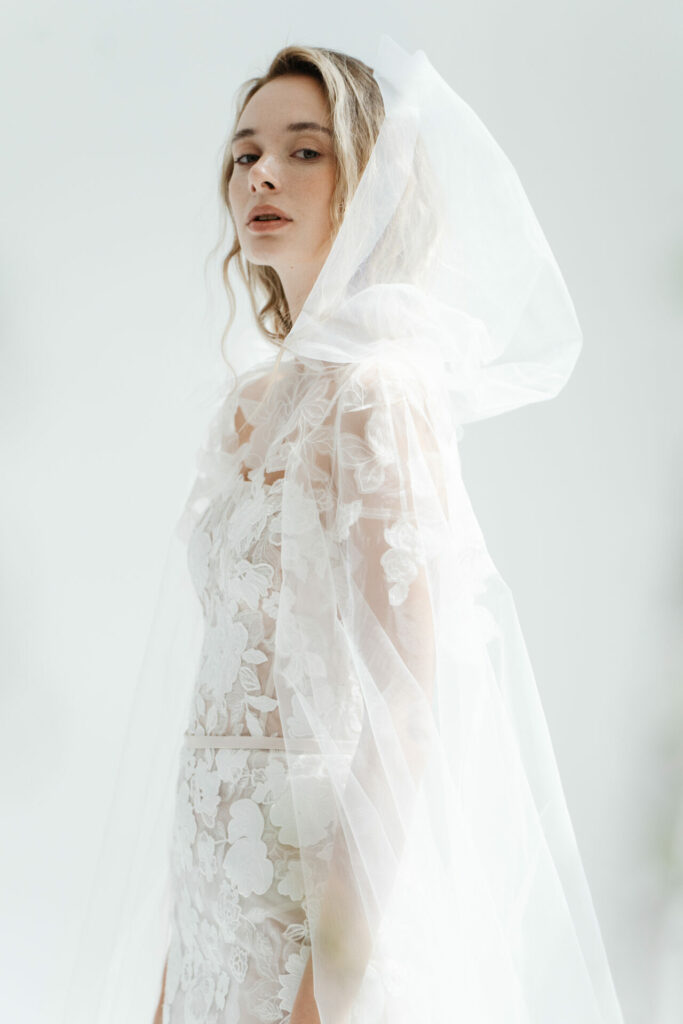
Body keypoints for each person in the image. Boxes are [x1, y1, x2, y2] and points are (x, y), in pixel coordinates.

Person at [63, 36, 627, 1024]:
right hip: (213, 900)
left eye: (303, 149)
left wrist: (333, 972)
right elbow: (225, 687)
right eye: (244, 154)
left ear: (367, 182)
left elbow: (406, 707)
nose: (262, 173)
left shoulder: (375, 398)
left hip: (318, 909)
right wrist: (175, 959)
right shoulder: (247, 408)